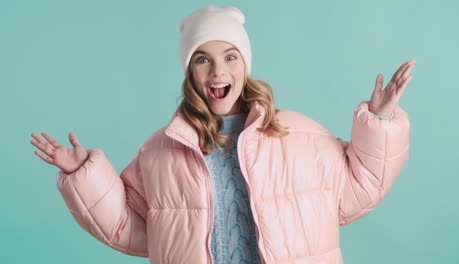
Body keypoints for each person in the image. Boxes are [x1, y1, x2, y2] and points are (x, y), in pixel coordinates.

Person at [30, 5, 415, 264]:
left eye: (230, 56)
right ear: (189, 72)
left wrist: (379, 122)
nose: (218, 70)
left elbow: (359, 188)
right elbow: (129, 227)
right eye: (203, 59)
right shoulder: (160, 151)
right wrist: (85, 175)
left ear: (244, 65)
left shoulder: (298, 133)